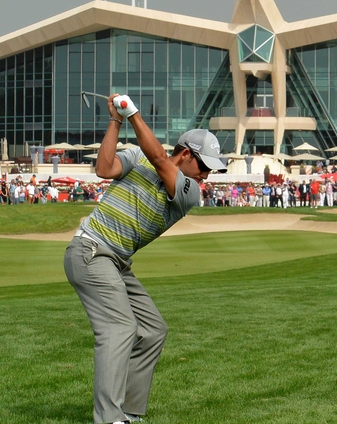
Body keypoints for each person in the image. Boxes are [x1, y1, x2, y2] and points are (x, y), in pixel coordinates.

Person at [64, 93, 226, 424]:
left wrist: (133, 114)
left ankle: (129, 412)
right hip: (91, 250)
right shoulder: (137, 157)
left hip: (116, 263)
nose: (207, 176)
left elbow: (159, 158)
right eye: (205, 167)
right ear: (186, 154)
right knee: (119, 327)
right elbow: (104, 168)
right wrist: (116, 119)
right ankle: (110, 418)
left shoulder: (189, 191)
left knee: (153, 330)